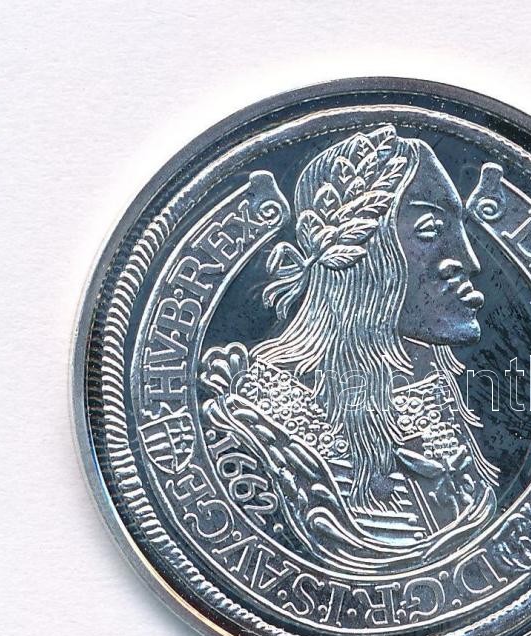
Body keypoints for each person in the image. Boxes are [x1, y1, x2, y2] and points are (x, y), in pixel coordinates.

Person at [202, 125, 498, 573]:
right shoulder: (256, 429)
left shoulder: (425, 401)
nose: (470, 260)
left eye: (460, 229)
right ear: (360, 258)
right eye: (431, 229)